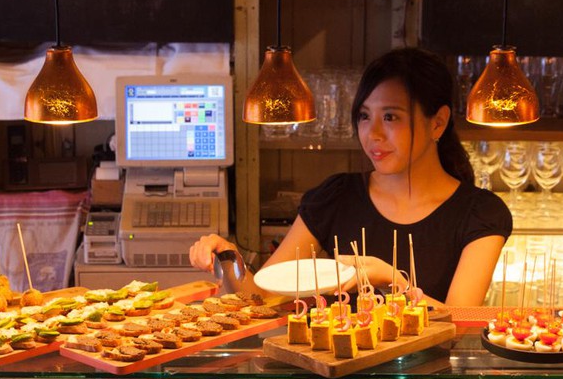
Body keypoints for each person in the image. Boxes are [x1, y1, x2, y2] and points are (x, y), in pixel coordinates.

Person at [191, 47, 512, 306]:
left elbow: (461, 326)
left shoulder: (479, 213)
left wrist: (393, 280)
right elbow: (263, 296)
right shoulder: (337, 196)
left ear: (437, 123)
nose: (371, 133)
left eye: (390, 117)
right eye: (364, 116)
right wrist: (229, 258)